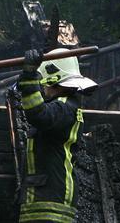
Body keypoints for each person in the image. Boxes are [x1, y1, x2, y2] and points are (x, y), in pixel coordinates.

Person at [16, 49, 97, 223]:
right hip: (46, 194)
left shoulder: (64, 107)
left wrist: (29, 77)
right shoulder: (65, 106)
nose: (43, 89)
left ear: (54, 80)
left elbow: (38, 114)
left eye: (44, 85)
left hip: (51, 198)